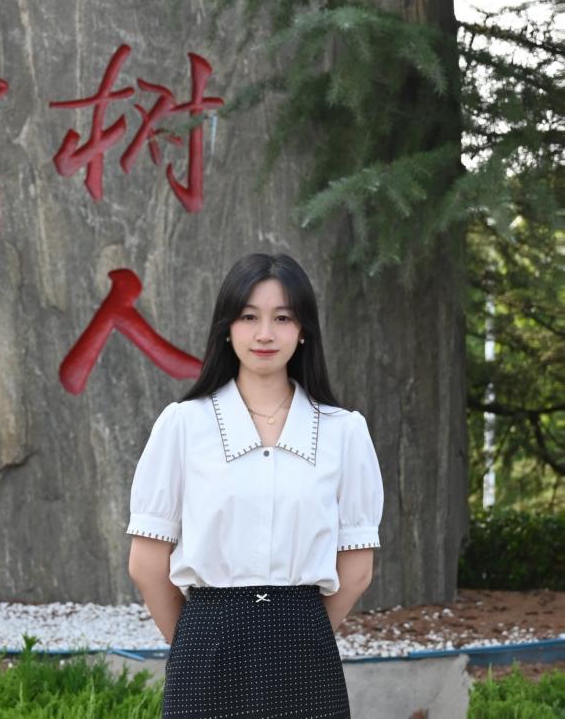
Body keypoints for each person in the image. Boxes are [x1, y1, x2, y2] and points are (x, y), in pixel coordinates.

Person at [126, 252, 384, 719]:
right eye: (249, 317)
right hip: (205, 648)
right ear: (227, 327)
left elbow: (357, 568)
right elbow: (146, 564)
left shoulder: (344, 431)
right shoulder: (183, 425)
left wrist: (300, 635)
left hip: (306, 650)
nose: (265, 334)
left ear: (303, 330)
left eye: (282, 318)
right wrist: (194, 646)